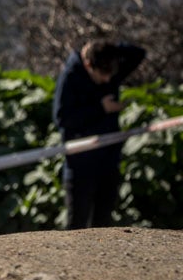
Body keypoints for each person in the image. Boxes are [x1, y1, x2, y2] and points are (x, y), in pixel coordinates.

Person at [53, 39, 146, 229]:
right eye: (102, 75)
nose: (107, 80)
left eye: (110, 75)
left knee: (103, 225)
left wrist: (107, 49)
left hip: (108, 160)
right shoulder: (71, 77)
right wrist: (101, 108)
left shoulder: (109, 69)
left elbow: (138, 53)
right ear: (88, 65)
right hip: (81, 165)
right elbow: (62, 119)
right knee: (77, 226)